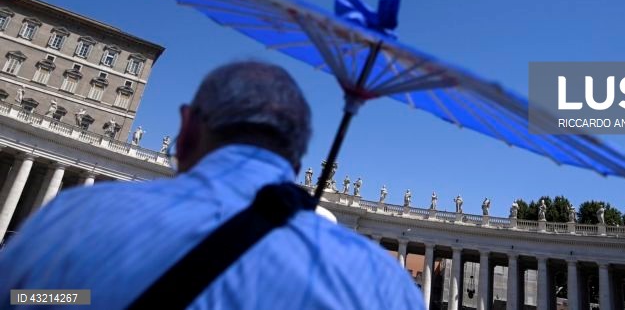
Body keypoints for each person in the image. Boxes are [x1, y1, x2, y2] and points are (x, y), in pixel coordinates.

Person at [0, 61, 423, 309]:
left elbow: (28, 300)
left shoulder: (71, 221)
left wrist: (77, 298)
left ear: (185, 132)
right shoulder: (382, 284)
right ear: (295, 155)